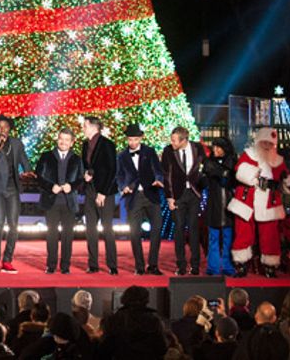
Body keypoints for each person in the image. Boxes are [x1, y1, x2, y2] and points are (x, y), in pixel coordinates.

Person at [229, 127, 290, 278]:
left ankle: (269, 266)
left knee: (270, 235)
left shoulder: (278, 160)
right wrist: (254, 174)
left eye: (270, 144)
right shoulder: (249, 155)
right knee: (243, 232)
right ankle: (241, 264)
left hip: (269, 201)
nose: (267, 146)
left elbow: (283, 178)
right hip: (247, 199)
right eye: (264, 143)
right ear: (258, 142)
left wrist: (288, 182)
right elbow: (239, 171)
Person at [115, 123, 165, 275]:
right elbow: (119, 176)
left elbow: (158, 170)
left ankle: (153, 265)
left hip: (151, 195)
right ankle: (139, 266)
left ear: (141, 138)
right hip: (134, 197)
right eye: (130, 139)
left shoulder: (149, 152)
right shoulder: (122, 156)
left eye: (136, 139)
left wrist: (158, 179)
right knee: (135, 233)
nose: (133, 142)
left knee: (156, 230)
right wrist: (123, 186)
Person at [0, 115, 30, 275]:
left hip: (13, 188)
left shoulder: (17, 143)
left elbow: (24, 160)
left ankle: (7, 260)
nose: (3, 130)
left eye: (5, 127)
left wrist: (28, 171)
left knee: (14, 226)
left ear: (9, 129)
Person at [35, 127, 83, 274]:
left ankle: (65, 266)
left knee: (68, 236)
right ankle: (51, 265)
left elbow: (81, 179)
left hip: (69, 202)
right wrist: (51, 187)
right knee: (52, 235)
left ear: (72, 142)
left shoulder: (77, 159)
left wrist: (72, 186)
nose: (63, 142)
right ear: (57, 139)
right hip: (52, 201)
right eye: (61, 139)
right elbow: (39, 177)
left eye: (67, 140)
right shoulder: (46, 156)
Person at [161, 126, 207, 275]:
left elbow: (205, 167)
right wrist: (170, 197)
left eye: (175, 140)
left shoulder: (197, 148)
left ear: (184, 140)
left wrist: (201, 185)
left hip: (194, 193)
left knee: (194, 229)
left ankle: (195, 265)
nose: (172, 143)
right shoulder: (169, 151)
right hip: (178, 195)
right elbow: (166, 175)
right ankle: (181, 265)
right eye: (172, 139)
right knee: (179, 230)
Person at [80, 116, 118, 275]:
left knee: (107, 229)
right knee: (90, 229)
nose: (82, 128)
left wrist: (103, 192)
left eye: (84, 125)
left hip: (105, 192)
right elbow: (87, 165)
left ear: (92, 126)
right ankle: (93, 264)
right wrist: (86, 174)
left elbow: (112, 170)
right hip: (90, 190)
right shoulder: (84, 145)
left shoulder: (107, 144)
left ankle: (112, 265)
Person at [98, 286, 168, 359]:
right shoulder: (154, 321)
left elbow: (104, 349)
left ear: (124, 299)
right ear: (146, 300)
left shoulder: (114, 319)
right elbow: (162, 348)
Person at [202, 136, 238, 276]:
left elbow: (230, 179)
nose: (215, 149)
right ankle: (213, 267)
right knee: (214, 238)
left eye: (218, 147)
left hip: (229, 204)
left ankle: (228, 266)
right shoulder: (209, 162)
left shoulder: (233, 162)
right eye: (214, 147)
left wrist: (223, 172)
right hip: (214, 203)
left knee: (228, 238)